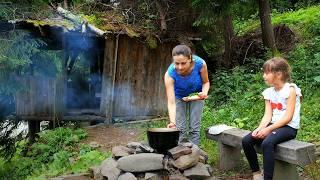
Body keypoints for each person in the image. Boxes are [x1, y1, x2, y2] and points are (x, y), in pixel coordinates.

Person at [242, 57, 302, 180]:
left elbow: (288, 117)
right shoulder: (268, 92)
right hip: (274, 125)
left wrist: (268, 130)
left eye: (267, 73)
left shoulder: (290, 90)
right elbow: (267, 115)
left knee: (267, 143)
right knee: (246, 140)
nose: (264, 76)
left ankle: (268, 178)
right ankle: (256, 173)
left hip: (288, 127)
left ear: (279, 74)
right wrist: (260, 128)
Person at [164, 44, 210, 145]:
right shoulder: (169, 74)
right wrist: (172, 122)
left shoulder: (200, 64)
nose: (179, 67)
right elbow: (171, 103)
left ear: (190, 59)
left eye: (183, 63)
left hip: (196, 96)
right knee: (180, 129)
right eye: (176, 63)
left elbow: (206, 82)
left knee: (194, 128)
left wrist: (204, 93)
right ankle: (180, 154)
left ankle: (195, 154)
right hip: (179, 97)